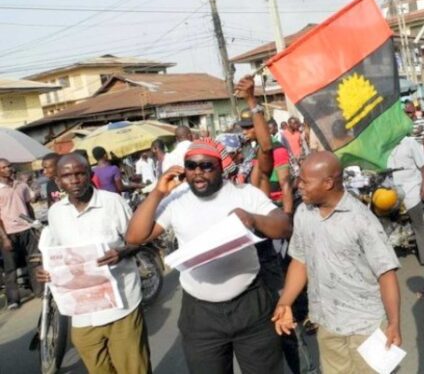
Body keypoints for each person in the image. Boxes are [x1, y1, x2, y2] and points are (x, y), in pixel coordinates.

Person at [125, 137, 292, 374]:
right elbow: (134, 237)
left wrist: (253, 219)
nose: (198, 173)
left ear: (221, 167)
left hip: (250, 305)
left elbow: (284, 226)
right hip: (200, 315)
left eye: (206, 166)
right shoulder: (176, 200)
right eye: (191, 166)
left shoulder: (244, 194)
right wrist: (157, 193)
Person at [272, 152, 401, 373]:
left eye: (305, 181)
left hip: (366, 327)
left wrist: (394, 323)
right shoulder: (304, 212)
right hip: (327, 323)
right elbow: (300, 261)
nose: (298, 185)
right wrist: (285, 302)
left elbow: (386, 273)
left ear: (329, 182)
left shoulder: (360, 219)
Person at [36, 153, 150, 373]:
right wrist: (47, 269)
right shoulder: (56, 212)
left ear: (90, 174)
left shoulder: (112, 203)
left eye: (80, 173)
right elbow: (55, 251)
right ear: (58, 181)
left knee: (133, 368)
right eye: (67, 176)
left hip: (121, 306)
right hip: (81, 313)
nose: (75, 180)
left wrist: (121, 252)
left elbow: (138, 240)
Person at [387, 133, 424, 293]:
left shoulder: (409, 143)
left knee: (419, 224)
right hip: (392, 190)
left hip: (411, 188)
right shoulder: (385, 145)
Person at [0, 158, 41, 310]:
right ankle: (13, 299)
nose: (9, 169)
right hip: (9, 233)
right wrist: (4, 238)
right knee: (10, 269)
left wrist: (34, 224)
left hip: (27, 230)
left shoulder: (21, 185)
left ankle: (39, 291)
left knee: (34, 262)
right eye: (4, 167)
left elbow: (29, 204)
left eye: (9, 166)